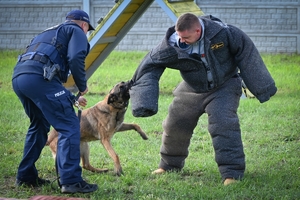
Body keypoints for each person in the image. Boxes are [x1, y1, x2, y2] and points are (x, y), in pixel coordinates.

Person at [129, 13, 277, 185]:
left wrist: (263, 88)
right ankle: (169, 165)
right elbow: (149, 65)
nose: (181, 40)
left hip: (225, 85)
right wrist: (143, 102)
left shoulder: (223, 33)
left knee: (223, 123)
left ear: (198, 30)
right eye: (179, 36)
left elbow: (247, 52)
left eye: (186, 37)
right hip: (191, 88)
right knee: (175, 123)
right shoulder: (171, 45)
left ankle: (231, 174)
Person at [12, 10, 98, 193]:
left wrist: (71, 98)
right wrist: (82, 85)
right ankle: (71, 181)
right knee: (69, 125)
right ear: (84, 25)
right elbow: (75, 58)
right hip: (39, 79)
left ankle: (26, 176)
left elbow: (49, 81)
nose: (86, 33)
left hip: (20, 77)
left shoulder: (49, 32)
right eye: (87, 30)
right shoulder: (76, 31)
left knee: (39, 124)